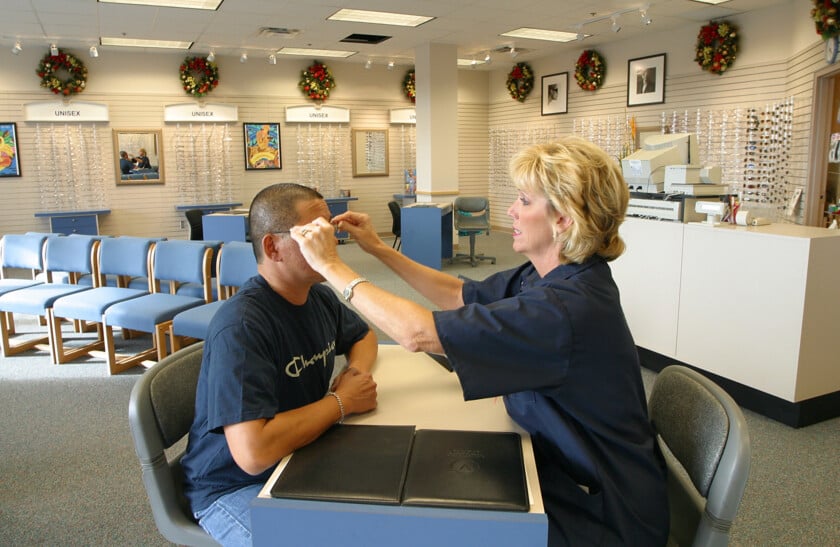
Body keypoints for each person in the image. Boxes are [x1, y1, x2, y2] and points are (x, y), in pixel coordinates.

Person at [291, 137, 669, 546]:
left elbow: (417, 335)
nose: (511, 211)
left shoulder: (563, 309)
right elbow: (459, 296)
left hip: (604, 517)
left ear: (563, 218)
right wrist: (380, 249)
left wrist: (331, 265)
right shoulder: (553, 274)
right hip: (572, 469)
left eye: (524, 201)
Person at [181, 183, 379, 546]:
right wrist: (341, 402)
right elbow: (253, 454)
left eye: (329, 232)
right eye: (313, 235)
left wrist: (355, 375)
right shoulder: (243, 326)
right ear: (272, 247)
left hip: (298, 455)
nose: (330, 245)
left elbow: (363, 336)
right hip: (234, 485)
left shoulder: (316, 295)